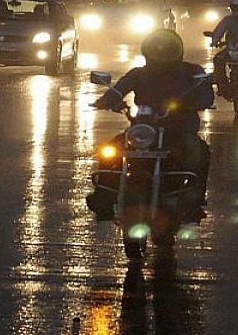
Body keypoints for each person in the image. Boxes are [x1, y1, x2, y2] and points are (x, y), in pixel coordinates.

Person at [87, 30, 214, 222]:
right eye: (157, 50)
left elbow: (205, 93)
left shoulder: (192, 71)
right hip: (144, 131)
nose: (161, 54)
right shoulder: (139, 74)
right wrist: (107, 101)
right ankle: (103, 197)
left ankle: (194, 200)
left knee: (200, 151)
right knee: (110, 150)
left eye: (166, 50)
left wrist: (195, 103)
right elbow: (117, 90)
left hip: (179, 130)